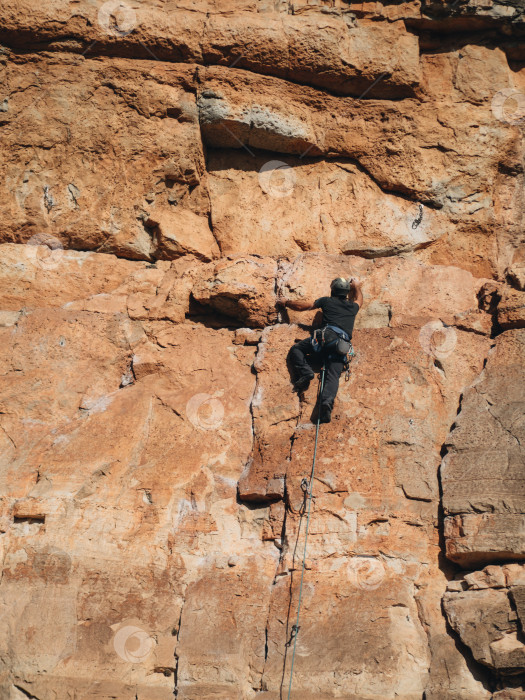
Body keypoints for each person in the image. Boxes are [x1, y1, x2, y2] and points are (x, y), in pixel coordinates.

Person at [278, 277, 363, 424]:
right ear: (346, 292)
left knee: (297, 349)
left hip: (326, 340)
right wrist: (356, 286)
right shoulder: (352, 307)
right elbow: (359, 299)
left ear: (332, 290)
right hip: (341, 346)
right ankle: (326, 403)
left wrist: (286, 303)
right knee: (333, 376)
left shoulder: (327, 301)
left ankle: (306, 373)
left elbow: (303, 306)